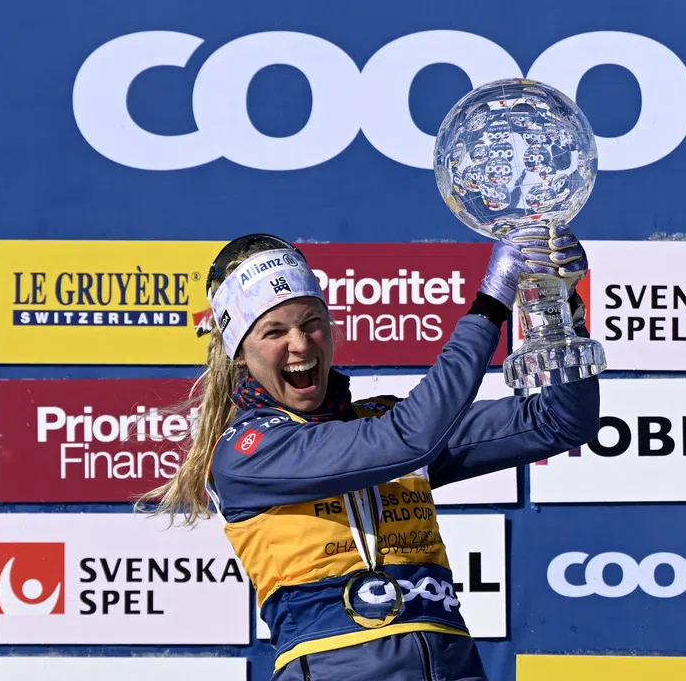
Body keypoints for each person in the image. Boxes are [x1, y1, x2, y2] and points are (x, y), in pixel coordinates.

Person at [144, 227, 601, 681]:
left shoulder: (378, 423)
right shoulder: (248, 452)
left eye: (312, 323)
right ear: (240, 353)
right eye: (274, 332)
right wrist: (490, 305)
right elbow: (410, 440)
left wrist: (560, 314)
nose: (300, 345)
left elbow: (559, 422)